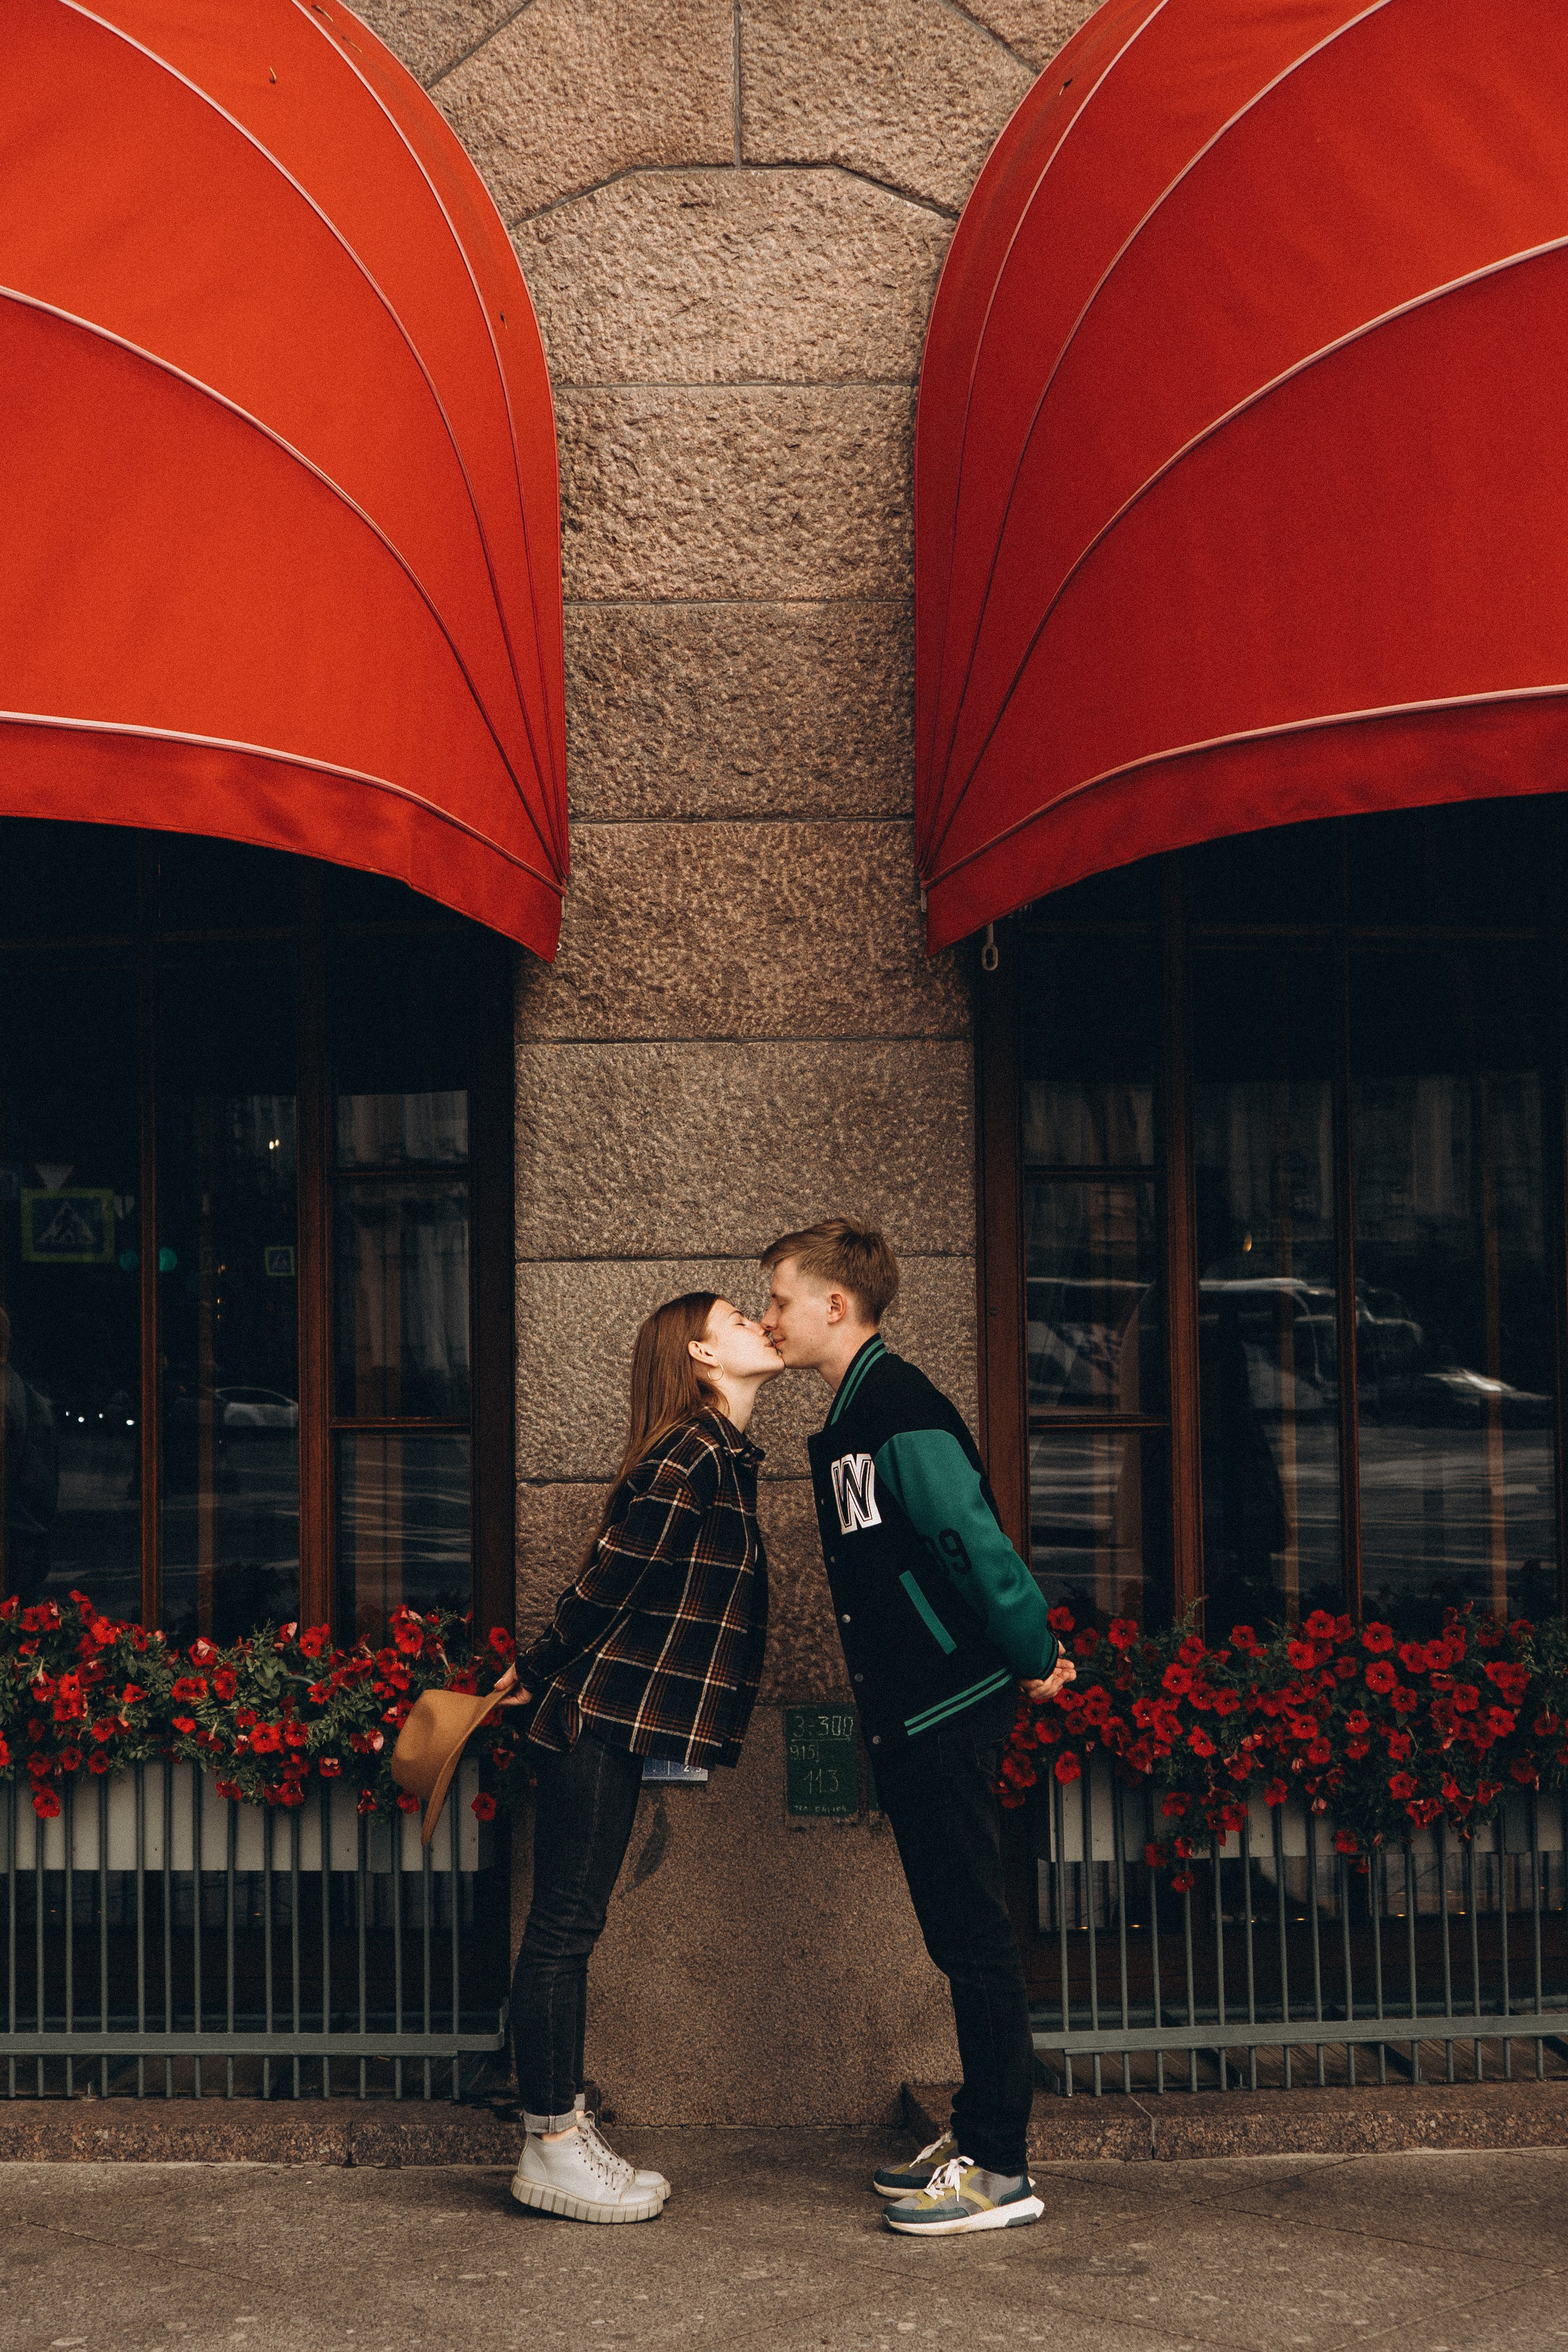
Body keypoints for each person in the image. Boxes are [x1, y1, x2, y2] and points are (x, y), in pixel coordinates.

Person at [760, 1220, 1075, 2238]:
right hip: (912, 1714)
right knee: (955, 1935)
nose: (769, 1316)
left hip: (946, 1709)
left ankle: (1000, 2169)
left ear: (835, 1307)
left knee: (976, 1936)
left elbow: (974, 1546)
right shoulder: (857, 1413)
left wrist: (1032, 1654)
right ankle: (978, 2134)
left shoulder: (899, 1409)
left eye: (779, 1298)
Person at [505, 1291, 783, 2225]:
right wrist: (534, 1670)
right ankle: (550, 2143)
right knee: (563, 1931)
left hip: (618, 1721)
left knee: (567, 1928)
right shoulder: (694, 1452)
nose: (757, 1324)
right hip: (595, 1717)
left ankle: (558, 2137)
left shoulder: (721, 1457)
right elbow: (611, 1579)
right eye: (739, 1317)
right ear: (701, 1353)